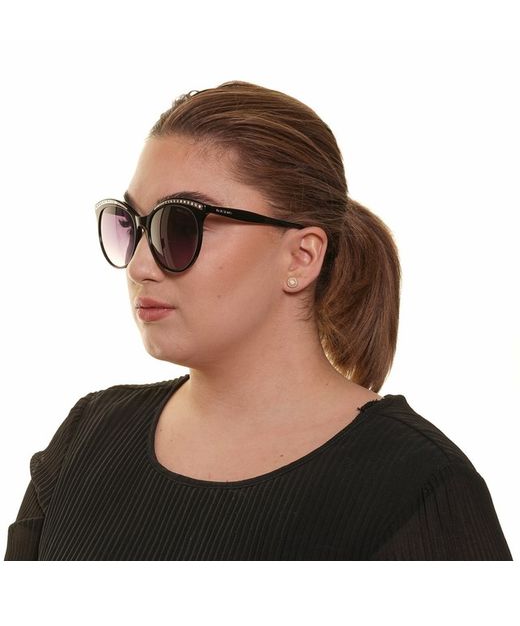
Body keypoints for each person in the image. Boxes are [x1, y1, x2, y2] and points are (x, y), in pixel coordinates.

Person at [4, 81, 513, 561]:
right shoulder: (87, 438)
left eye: (179, 225)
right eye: (131, 225)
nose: (139, 265)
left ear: (301, 257)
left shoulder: (421, 484)